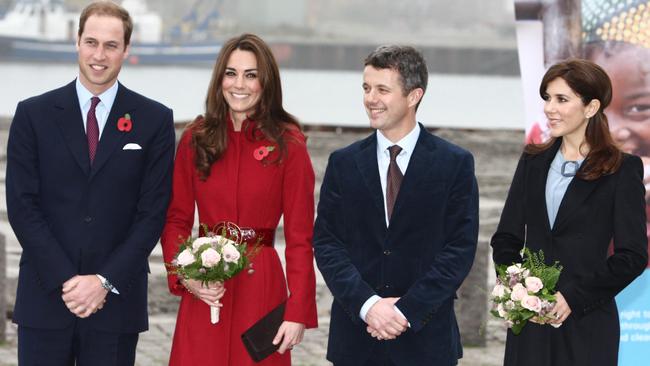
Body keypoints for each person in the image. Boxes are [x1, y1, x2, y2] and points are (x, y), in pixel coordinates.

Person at [5, 1, 175, 365]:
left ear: (126, 50)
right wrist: (68, 281)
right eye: (91, 42)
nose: (100, 55)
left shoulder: (155, 120)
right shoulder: (33, 114)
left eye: (111, 45)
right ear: (77, 42)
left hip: (116, 303)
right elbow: (22, 205)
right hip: (45, 297)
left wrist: (103, 282)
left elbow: (152, 212)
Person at [313, 45, 479, 366]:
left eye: (382, 89)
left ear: (413, 96)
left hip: (426, 341)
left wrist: (406, 311)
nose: (370, 98)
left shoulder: (454, 163)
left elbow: (459, 249)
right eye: (366, 88)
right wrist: (368, 306)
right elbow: (328, 244)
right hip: (355, 340)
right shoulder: (342, 163)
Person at [160, 33, 318, 366]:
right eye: (231, 73)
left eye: (251, 75)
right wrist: (185, 276)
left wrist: (298, 310)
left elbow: (300, 237)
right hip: (204, 282)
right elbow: (176, 218)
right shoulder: (195, 139)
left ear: (266, 82)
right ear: (219, 80)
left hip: (261, 287)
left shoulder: (289, 144)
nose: (239, 84)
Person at [491, 59, 648, 366]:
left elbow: (632, 256)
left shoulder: (621, 169)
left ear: (591, 107)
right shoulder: (532, 161)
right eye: (547, 98)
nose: (550, 108)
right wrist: (519, 290)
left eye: (562, 99)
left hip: (586, 324)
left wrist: (572, 298)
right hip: (531, 325)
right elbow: (506, 238)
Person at [527, 0, 650, 258]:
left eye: (639, 109)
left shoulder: (629, 170)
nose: (616, 130)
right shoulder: (544, 150)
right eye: (602, 110)